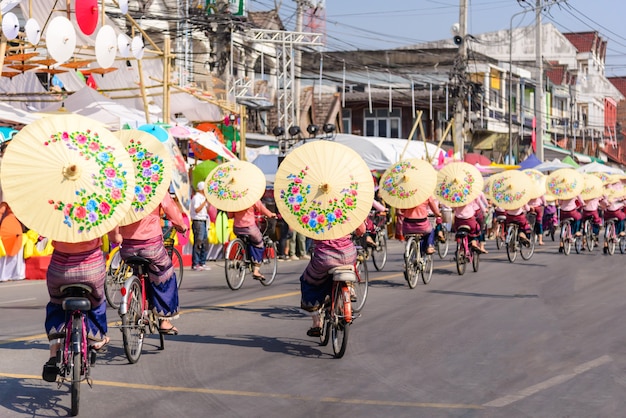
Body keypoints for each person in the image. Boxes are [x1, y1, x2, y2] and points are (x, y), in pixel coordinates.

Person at [115, 193, 187, 335]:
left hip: (128, 248)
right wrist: (181, 225)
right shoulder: (154, 184)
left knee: (137, 270)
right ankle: (164, 320)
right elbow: (170, 207)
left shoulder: (122, 186)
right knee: (164, 273)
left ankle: (138, 304)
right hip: (151, 246)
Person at [42, 236, 109, 382]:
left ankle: (54, 354)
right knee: (97, 300)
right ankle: (95, 339)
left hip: (60, 272)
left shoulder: (57, 213)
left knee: (56, 303)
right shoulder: (97, 213)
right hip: (91, 270)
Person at [302, 222, 367, 337]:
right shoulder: (347, 208)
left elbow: (309, 234)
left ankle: (317, 323)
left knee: (308, 280)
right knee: (349, 269)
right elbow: (361, 230)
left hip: (325, 257)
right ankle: (350, 288)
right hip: (348, 254)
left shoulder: (316, 214)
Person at [231, 200, 277, 279]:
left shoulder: (234, 200)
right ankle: (256, 270)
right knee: (259, 243)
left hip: (237, 228)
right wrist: (271, 214)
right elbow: (261, 209)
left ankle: (242, 257)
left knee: (245, 240)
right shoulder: (252, 198)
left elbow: (230, 215)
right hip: (249, 228)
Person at [190, 181, 210, 271]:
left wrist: (207, 202)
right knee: (198, 242)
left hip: (204, 220)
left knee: (205, 243)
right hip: (198, 221)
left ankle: (202, 262)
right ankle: (195, 263)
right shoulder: (197, 198)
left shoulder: (203, 198)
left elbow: (206, 210)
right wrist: (204, 202)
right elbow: (197, 209)